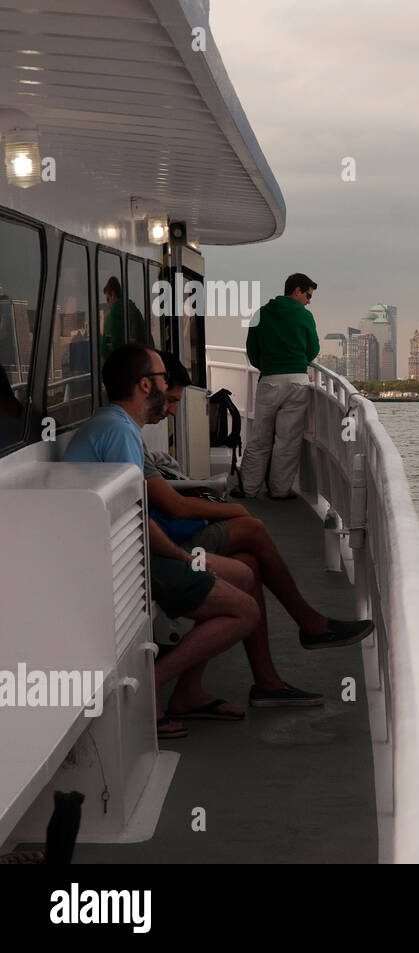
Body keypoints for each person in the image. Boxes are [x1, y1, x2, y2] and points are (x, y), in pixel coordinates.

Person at [146, 352, 374, 699]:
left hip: (162, 538)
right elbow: (174, 507)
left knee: (251, 561)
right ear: (147, 386)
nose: (173, 409)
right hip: (164, 548)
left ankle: (263, 682)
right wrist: (233, 510)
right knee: (252, 528)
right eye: (171, 397)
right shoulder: (120, 434)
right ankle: (309, 624)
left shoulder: (124, 432)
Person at [63, 343, 259, 737]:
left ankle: (189, 692)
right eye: (162, 378)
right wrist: (183, 558)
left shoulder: (114, 424)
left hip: (119, 548)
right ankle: (156, 683)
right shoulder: (120, 432)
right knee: (246, 611)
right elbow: (138, 518)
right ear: (143, 385)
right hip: (124, 559)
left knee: (244, 574)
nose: (168, 385)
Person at [238, 273, 319, 499]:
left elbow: (252, 351)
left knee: (259, 437)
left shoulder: (260, 314)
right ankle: (280, 490)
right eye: (308, 295)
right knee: (288, 440)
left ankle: (249, 488)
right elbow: (312, 350)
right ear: (296, 291)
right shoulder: (305, 316)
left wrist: (267, 365)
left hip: (270, 380)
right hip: (297, 382)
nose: (309, 301)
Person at [99, 276, 151, 361]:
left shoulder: (113, 316)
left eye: (108, 299)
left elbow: (105, 349)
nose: (108, 304)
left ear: (113, 294)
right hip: (140, 361)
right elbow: (147, 337)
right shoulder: (135, 311)